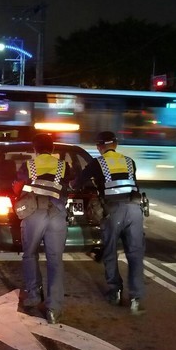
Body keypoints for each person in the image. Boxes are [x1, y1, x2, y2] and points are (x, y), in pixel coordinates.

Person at [70, 131, 146, 314]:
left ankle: (115, 291)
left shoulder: (97, 163)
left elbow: (76, 183)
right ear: (116, 145)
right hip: (135, 210)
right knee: (135, 254)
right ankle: (136, 297)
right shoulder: (129, 161)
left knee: (110, 251)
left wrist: (71, 184)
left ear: (100, 146)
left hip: (114, 211)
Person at [14, 133, 73, 324]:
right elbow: (70, 186)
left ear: (34, 149)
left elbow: (18, 187)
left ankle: (33, 295)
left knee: (30, 254)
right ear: (53, 149)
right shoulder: (64, 166)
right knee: (55, 261)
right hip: (57, 213)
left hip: (35, 214)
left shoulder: (28, 165)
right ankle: (54, 309)